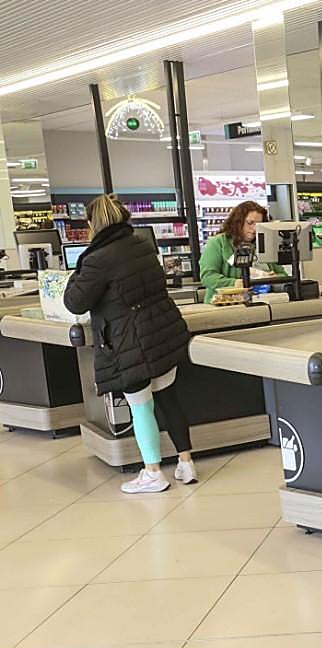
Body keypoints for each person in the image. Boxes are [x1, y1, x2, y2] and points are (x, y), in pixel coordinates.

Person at [63, 195, 196, 493]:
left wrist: (78, 269)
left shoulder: (97, 259)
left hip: (128, 342)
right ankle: (186, 462)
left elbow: (74, 301)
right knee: (168, 398)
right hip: (160, 333)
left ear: (92, 224)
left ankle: (152, 472)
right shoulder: (142, 245)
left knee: (140, 406)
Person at [198, 200, 286, 303]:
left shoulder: (264, 244)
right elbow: (208, 276)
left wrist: (274, 278)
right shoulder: (218, 243)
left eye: (259, 225)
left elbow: (283, 274)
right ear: (238, 222)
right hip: (228, 304)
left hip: (264, 302)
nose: (254, 229)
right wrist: (235, 283)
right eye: (250, 223)